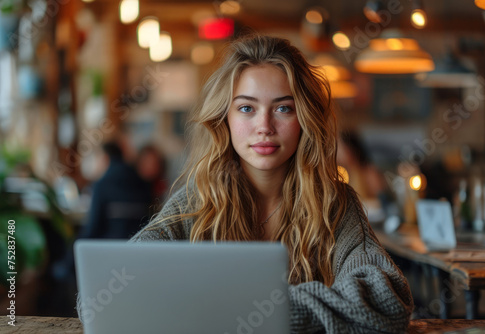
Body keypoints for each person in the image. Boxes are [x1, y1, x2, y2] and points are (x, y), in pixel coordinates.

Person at [130, 36, 413, 332]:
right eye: (246, 108)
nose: (264, 127)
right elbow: (113, 289)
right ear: (223, 117)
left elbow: (386, 300)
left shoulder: (335, 203)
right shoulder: (196, 201)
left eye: (283, 109)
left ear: (305, 118)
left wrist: (241, 310)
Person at [79, 141, 153, 239]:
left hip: (109, 247)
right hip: (139, 244)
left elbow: (93, 229)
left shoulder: (101, 185)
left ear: (104, 158)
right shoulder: (142, 181)